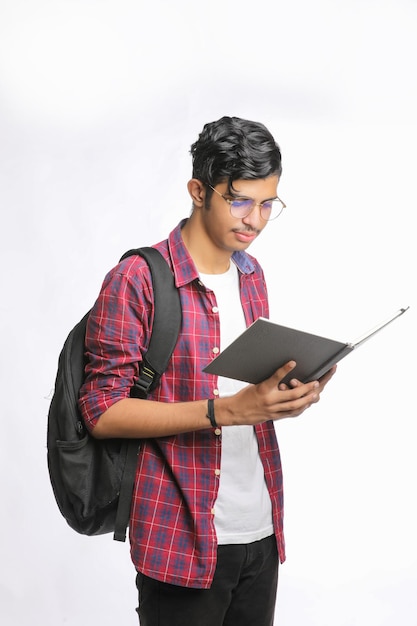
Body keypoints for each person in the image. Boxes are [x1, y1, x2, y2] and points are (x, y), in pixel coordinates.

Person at [79, 116, 336, 625]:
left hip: (260, 531)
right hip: (180, 539)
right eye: (239, 200)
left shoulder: (251, 275)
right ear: (199, 191)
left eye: (268, 204)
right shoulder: (139, 278)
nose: (255, 220)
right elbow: (101, 412)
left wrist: (284, 397)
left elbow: (246, 397)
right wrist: (226, 411)